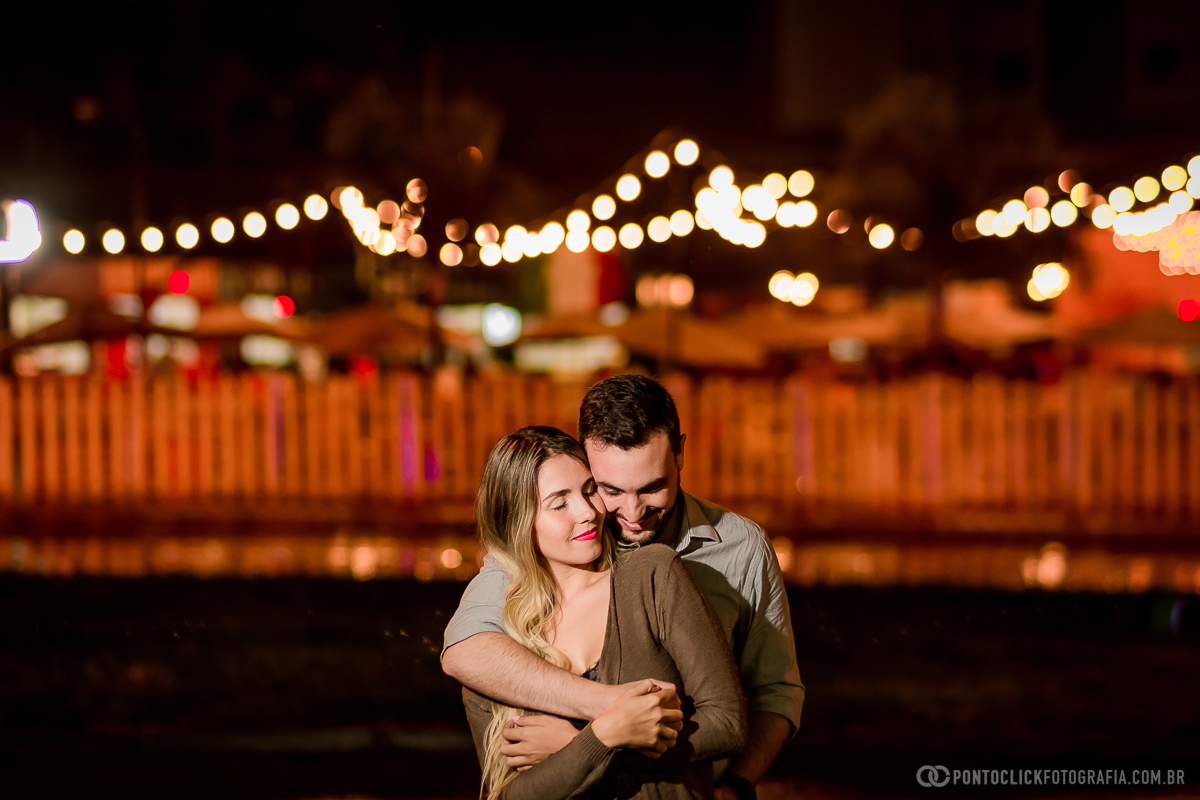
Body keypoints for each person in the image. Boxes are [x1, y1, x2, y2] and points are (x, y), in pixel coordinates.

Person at [445, 375, 804, 800]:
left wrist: (736, 786)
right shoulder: (529, 567)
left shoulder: (737, 549)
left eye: (652, 488)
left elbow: (772, 693)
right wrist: (608, 717)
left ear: (680, 454)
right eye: (609, 490)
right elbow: (464, 649)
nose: (631, 513)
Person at [463, 425, 747, 799]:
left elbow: (727, 724)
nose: (588, 512)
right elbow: (510, 796)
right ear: (518, 522)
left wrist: (587, 743)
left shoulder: (652, 577)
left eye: (589, 490)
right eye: (560, 504)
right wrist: (601, 738)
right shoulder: (498, 646)